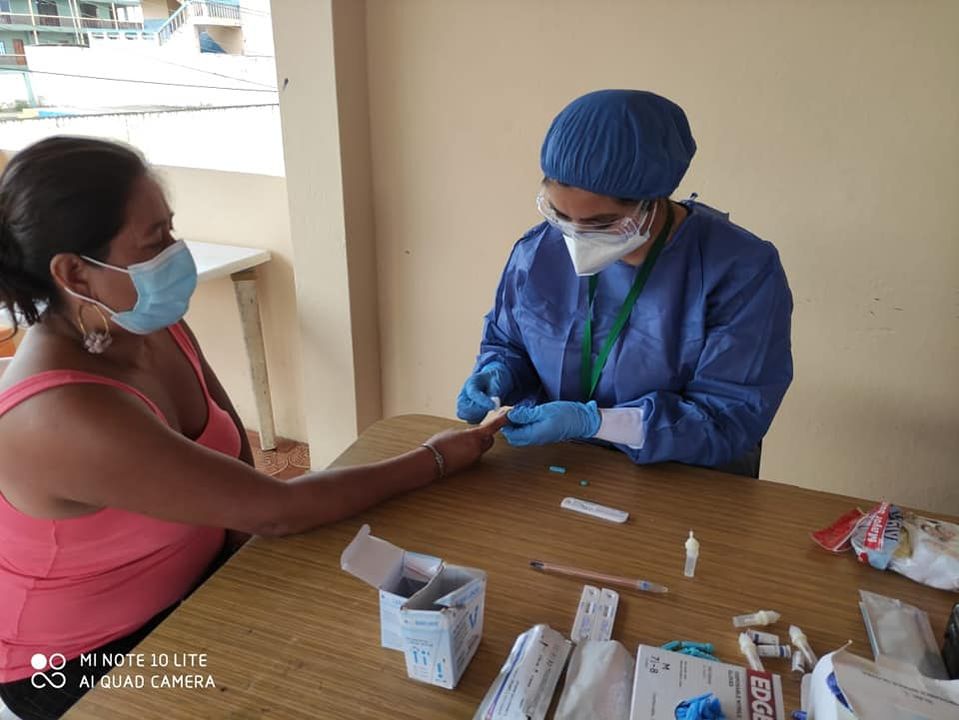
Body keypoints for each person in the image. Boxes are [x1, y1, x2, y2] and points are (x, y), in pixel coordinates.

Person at [0, 137, 505, 720]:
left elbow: (236, 461)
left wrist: (257, 551)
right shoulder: (62, 414)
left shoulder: (146, 324)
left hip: (199, 583)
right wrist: (433, 459)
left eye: (172, 230)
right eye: (155, 240)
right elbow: (273, 510)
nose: (177, 253)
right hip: (79, 662)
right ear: (74, 273)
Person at [456, 90, 793, 475]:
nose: (575, 238)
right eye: (559, 215)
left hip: (683, 478)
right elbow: (509, 342)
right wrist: (496, 373)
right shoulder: (538, 252)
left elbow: (726, 418)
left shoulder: (739, 272)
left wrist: (595, 422)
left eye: (600, 223)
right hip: (557, 464)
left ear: (653, 201)